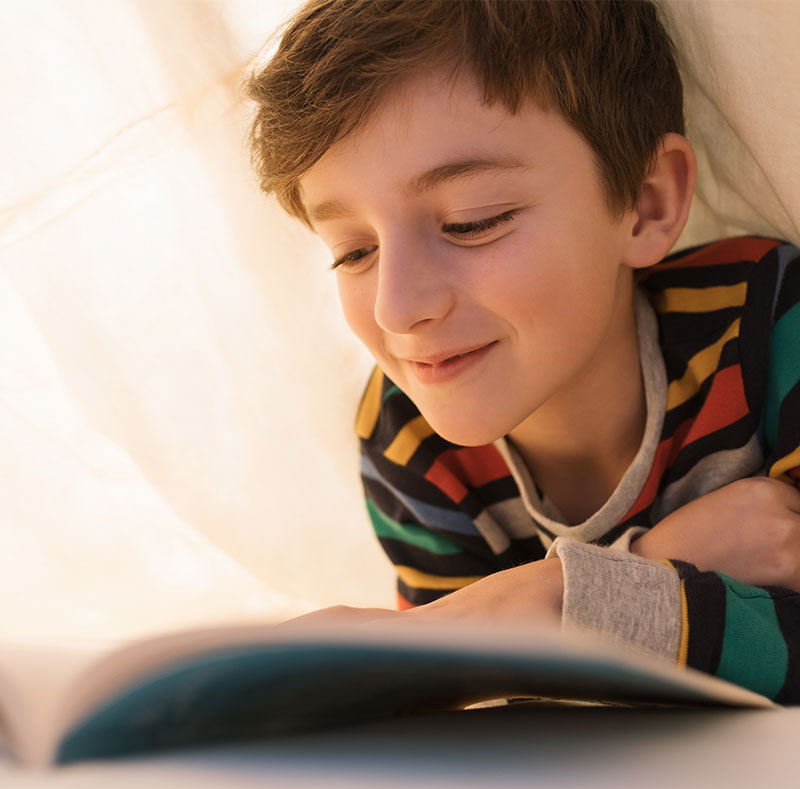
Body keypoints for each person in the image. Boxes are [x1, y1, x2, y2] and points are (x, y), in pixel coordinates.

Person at [246, 0, 800, 701]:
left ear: (648, 202)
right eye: (353, 252)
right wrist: (650, 563)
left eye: (472, 222)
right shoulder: (408, 439)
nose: (398, 307)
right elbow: (492, 702)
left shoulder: (771, 322)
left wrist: (537, 607)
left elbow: (484, 655)